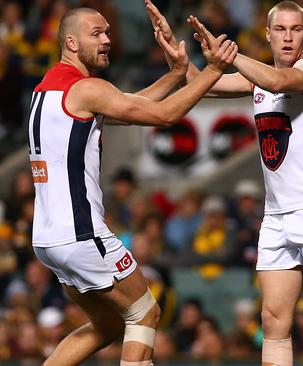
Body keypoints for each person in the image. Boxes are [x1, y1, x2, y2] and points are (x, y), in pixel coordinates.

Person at [144, 1, 303, 365]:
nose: (287, 37)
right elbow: (202, 82)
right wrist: (178, 53)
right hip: (276, 215)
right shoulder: (257, 77)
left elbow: (279, 81)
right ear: (267, 34)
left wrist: (229, 55)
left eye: (295, 29)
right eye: (280, 29)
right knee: (272, 320)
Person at [29, 7, 236, 365]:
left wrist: (176, 74)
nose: (108, 39)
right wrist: (214, 70)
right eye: (96, 33)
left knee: (108, 324)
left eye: (108, 32)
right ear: (71, 42)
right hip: (81, 235)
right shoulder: (87, 88)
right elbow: (164, 116)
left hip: (47, 240)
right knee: (144, 314)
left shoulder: (46, 90)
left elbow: (131, 105)